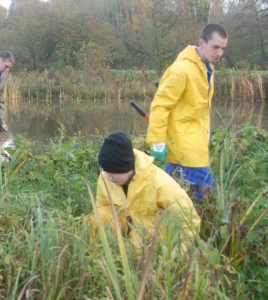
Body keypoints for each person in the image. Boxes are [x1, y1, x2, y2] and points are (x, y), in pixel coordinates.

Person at [146, 24, 228, 202]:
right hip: (185, 147)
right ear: (202, 42)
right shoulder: (181, 70)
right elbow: (160, 106)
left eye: (223, 48)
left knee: (176, 196)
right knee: (208, 196)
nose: (219, 53)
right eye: (215, 47)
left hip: (196, 143)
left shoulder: (207, 67)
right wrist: (157, 143)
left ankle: (168, 223)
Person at [89, 132, 201, 253]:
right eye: (106, 171)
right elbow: (103, 207)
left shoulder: (160, 182)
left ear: (126, 167)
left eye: (113, 172)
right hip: (125, 218)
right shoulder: (105, 177)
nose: (109, 177)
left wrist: (178, 252)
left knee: (140, 246)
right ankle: (96, 256)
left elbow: (189, 220)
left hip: (150, 224)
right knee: (96, 220)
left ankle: (141, 267)